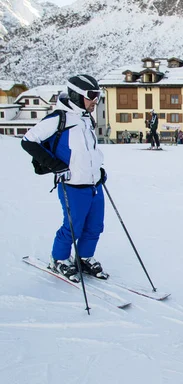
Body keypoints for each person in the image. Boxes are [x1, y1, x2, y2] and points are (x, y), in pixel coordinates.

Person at [21, 74, 107, 281]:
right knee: (72, 227)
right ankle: (58, 259)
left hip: (94, 184)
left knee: (95, 226)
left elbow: (88, 151)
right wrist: (56, 166)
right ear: (77, 96)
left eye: (97, 95)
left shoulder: (86, 119)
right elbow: (28, 141)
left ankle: (84, 257)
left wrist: (98, 169)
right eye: (91, 95)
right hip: (72, 184)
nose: (95, 100)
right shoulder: (60, 118)